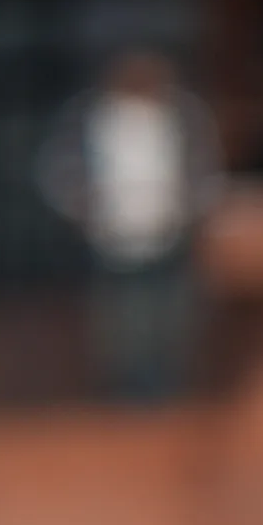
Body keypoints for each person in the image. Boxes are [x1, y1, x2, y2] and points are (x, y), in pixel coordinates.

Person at [44, 39, 223, 399]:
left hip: (169, 236)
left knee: (172, 317)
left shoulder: (183, 114)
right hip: (113, 240)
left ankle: (172, 387)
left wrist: (187, 208)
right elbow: (59, 173)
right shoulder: (89, 117)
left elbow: (206, 171)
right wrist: (89, 209)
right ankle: (127, 390)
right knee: (122, 322)